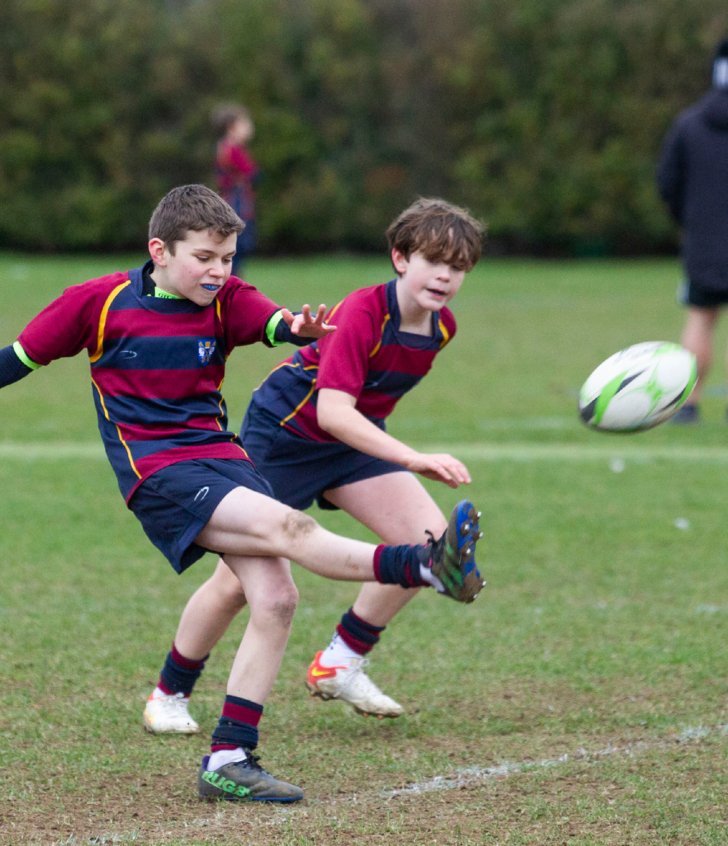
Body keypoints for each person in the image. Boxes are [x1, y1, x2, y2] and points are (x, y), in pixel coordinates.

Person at [0, 184, 484, 804]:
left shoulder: (226, 299)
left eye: (227, 258)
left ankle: (229, 758)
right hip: (159, 472)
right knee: (293, 532)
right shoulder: (98, 302)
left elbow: (276, 322)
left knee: (278, 596)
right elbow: (17, 358)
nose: (219, 272)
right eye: (204, 257)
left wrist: (298, 326)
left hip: (222, 455)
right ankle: (421, 563)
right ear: (161, 251)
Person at [142, 197, 486, 733]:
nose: (444, 275)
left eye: (458, 267)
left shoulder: (441, 329)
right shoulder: (364, 312)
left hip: (347, 446)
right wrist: (414, 459)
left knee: (435, 544)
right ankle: (169, 692)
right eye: (433, 261)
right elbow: (332, 410)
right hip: (282, 438)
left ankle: (341, 661)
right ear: (400, 258)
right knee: (237, 583)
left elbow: (355, 415)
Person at [657, 38, 728, 424]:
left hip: (704, 245)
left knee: (700, 319)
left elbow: (667, 182)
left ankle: (689, 403)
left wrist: (693, 221)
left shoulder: (690, 123)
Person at [212, 103, 259, 276]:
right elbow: (253, 173)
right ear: (232, 127)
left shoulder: (224, 146)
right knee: (237, 245)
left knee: (236, 246)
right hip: (236, 203)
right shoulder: (232, 149)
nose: (249, 128)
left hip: (234, 201)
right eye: (245, 124)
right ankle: (232, 284)